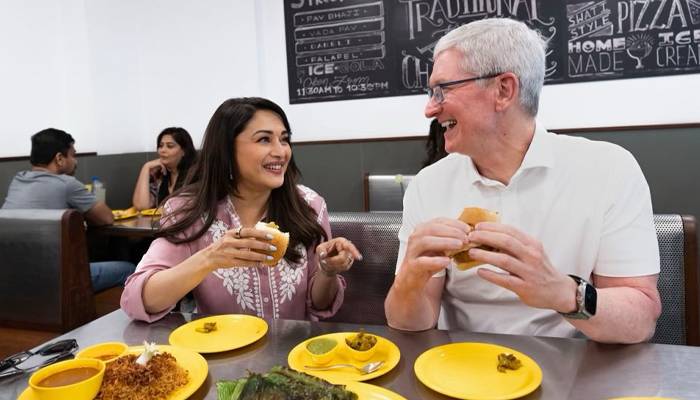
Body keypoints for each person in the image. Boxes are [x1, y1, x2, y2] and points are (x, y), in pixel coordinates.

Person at [384, 18, 661, 343]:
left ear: (504, 90)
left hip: (570, 374)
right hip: (455, 369)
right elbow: (409, 323)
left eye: (442, 89)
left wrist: (564, 293)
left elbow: (640, 319)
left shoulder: (609, 169)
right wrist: (410, 281)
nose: (430, 109)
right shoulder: (427, 186)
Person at [121, 97, 362, 322]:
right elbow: (137, 298)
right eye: (264, 139)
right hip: (221, 359)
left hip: (295, 357)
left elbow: (321, 304)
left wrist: (327, 271)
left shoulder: (309, 205)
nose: (281, 151)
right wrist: (210, 258)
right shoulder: (188, 209)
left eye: (284, 139)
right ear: (226, 149)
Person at [2, 128, 135, 292]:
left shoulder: (18, 180)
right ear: (59, 159)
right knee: (129, 270)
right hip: (54, 278)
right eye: (73, 155)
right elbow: (107, 218)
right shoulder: (66, 184)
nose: (76, 161)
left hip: (11, 277)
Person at [132, 127, 196, 210]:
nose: (162, 150)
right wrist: (146, 167)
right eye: (161, 146)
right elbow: (141, 206)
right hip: (161, 222)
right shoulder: (158, 174)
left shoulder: (195, 173)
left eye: (170, 146)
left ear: (184, 151)